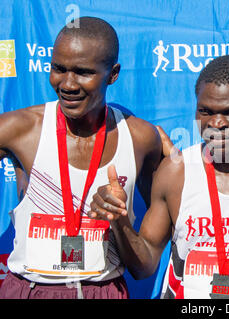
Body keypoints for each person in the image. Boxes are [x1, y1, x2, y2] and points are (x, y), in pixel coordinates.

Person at [89, 55, 229, 299]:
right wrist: (118, 221)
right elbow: (144, 266)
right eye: (205, 111)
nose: (216, 123)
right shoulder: (175, 172)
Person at [0, 17, 162, 299]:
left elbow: (145, 265)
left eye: (83, 72)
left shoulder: (140, 138)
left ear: (112, 74)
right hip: (28, 290)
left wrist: (119, 221)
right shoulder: (19, 129)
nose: (68, 84)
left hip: (103, 290)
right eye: (58, 69)